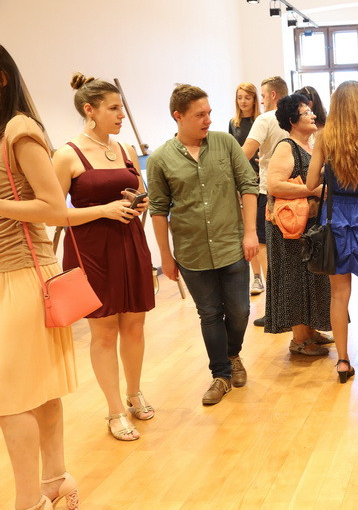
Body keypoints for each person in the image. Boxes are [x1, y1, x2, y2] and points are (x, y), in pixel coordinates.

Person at [51, 73, 155, 442]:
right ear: (89, 110)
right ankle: (114, 410)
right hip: (92, 250)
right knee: (105, 331)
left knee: (135, 324)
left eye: (121, 108)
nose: (121, 114)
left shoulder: (125, 149)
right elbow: (52, 214)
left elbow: (140, 191)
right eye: (113, 108)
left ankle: (134, 392)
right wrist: (103, 211)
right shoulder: (67, 154)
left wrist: (137, 202)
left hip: (130, 242)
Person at [0, 45, 79, 510]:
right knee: (38, 389)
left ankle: (27, 502)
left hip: (23, 274)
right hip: (9, 276)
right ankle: (56, 481)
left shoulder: (18, 130)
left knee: (10, 399)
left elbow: (54, 208)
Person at [147, 84, 259, 406]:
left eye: (209, 113)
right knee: (209, 314)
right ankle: (221, 374)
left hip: (231, 245)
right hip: (192, 252)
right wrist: (166, 257)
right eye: (200, 115)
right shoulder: (160, 159)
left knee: (239, 311)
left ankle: (233, 354)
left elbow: (248, 185)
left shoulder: (225, 143)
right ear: (178, 116)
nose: (208, 120)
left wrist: (250, 232)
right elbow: (158, 210)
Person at [307, 81, 358, 383]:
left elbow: (310, 183)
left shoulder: (324, 139)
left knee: (339, 295)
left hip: (335, 217)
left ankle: (343, 361)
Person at [264, 93, 333, 355]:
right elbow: (274, 185)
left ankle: (311, 332)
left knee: (310, 277)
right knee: (295, 279)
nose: (313, 116)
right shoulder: (286, 146)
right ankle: (299, 340)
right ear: (293, 120)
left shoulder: (309, 145)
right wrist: (311, 191)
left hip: (307, 225)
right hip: (290, 228)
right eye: (306, 113)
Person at [242, 77, 289, 327]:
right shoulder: (298, 117)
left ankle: (276, 309)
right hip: (296, 192)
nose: (261, 100)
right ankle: (293, 311)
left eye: (262, 95)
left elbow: (245, 154)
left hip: (269, 193)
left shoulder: (265, 119)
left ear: (272, 96)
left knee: (266, 250)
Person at [229, 82, 265, 296]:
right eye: (239, 97)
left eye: (247, 97)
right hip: (243, 182)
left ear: (254, 99)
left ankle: (267, 275)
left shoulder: (261, 121)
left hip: (261, 180)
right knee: (247, 230)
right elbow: (233, 154)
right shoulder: (233, 123)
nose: (243, 101)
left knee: (260, 232)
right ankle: (257, 277)